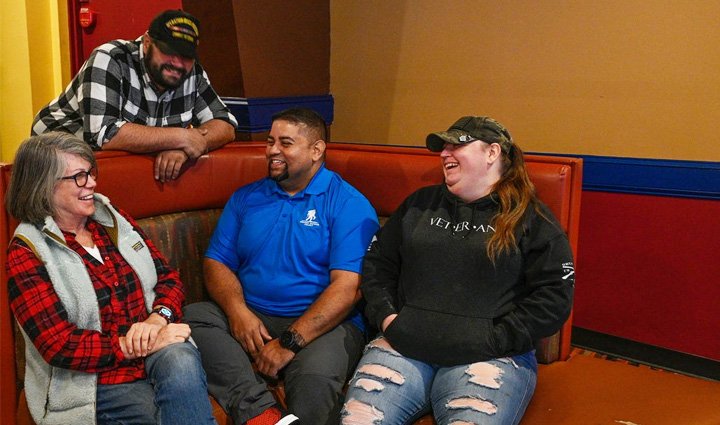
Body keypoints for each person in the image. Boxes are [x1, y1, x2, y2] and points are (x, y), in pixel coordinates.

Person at [341, 116, 575, 425]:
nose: (444, 154)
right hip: (404, 346)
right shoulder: (418, 205)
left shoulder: (531, 218)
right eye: (443, 147)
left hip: (491, 356)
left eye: (457, 145)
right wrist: (388, 318)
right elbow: (378, 265)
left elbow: (554, 296)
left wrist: (496, 338)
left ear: (492, 153)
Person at [184, 108, 379, 425]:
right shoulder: (247, 197)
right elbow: (216, 262)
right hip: (254, 316)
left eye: (285, 143)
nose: (272, 150)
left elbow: (348, 288)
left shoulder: (349, 203)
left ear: (316, 150)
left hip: (323, 325)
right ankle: (261, 414)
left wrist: (290, 342)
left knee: (314, 381)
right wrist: (237, 312)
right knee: (194, 319)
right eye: (270, 141)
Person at [5, 132, 217, 425]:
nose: (91, 182)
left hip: (157, 345)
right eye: (79, 177)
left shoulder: (112, 219)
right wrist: (132, 346)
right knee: (154, 415)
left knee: (182, 361)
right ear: (43, 186)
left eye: (90, 172)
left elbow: (168, 279)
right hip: (92, 377)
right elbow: (59, 344)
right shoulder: (27, 251)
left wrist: (158, 319)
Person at [31, 9, 238, 183]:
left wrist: (186, 149)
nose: (177, 63)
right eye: (169, 51)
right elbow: (104, 133)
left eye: (186, 56)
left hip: (103, 168)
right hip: (51, 154)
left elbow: (225, 124)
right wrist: (181, 137)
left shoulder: (192, 72)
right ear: (147, 43)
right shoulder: (110, 58)